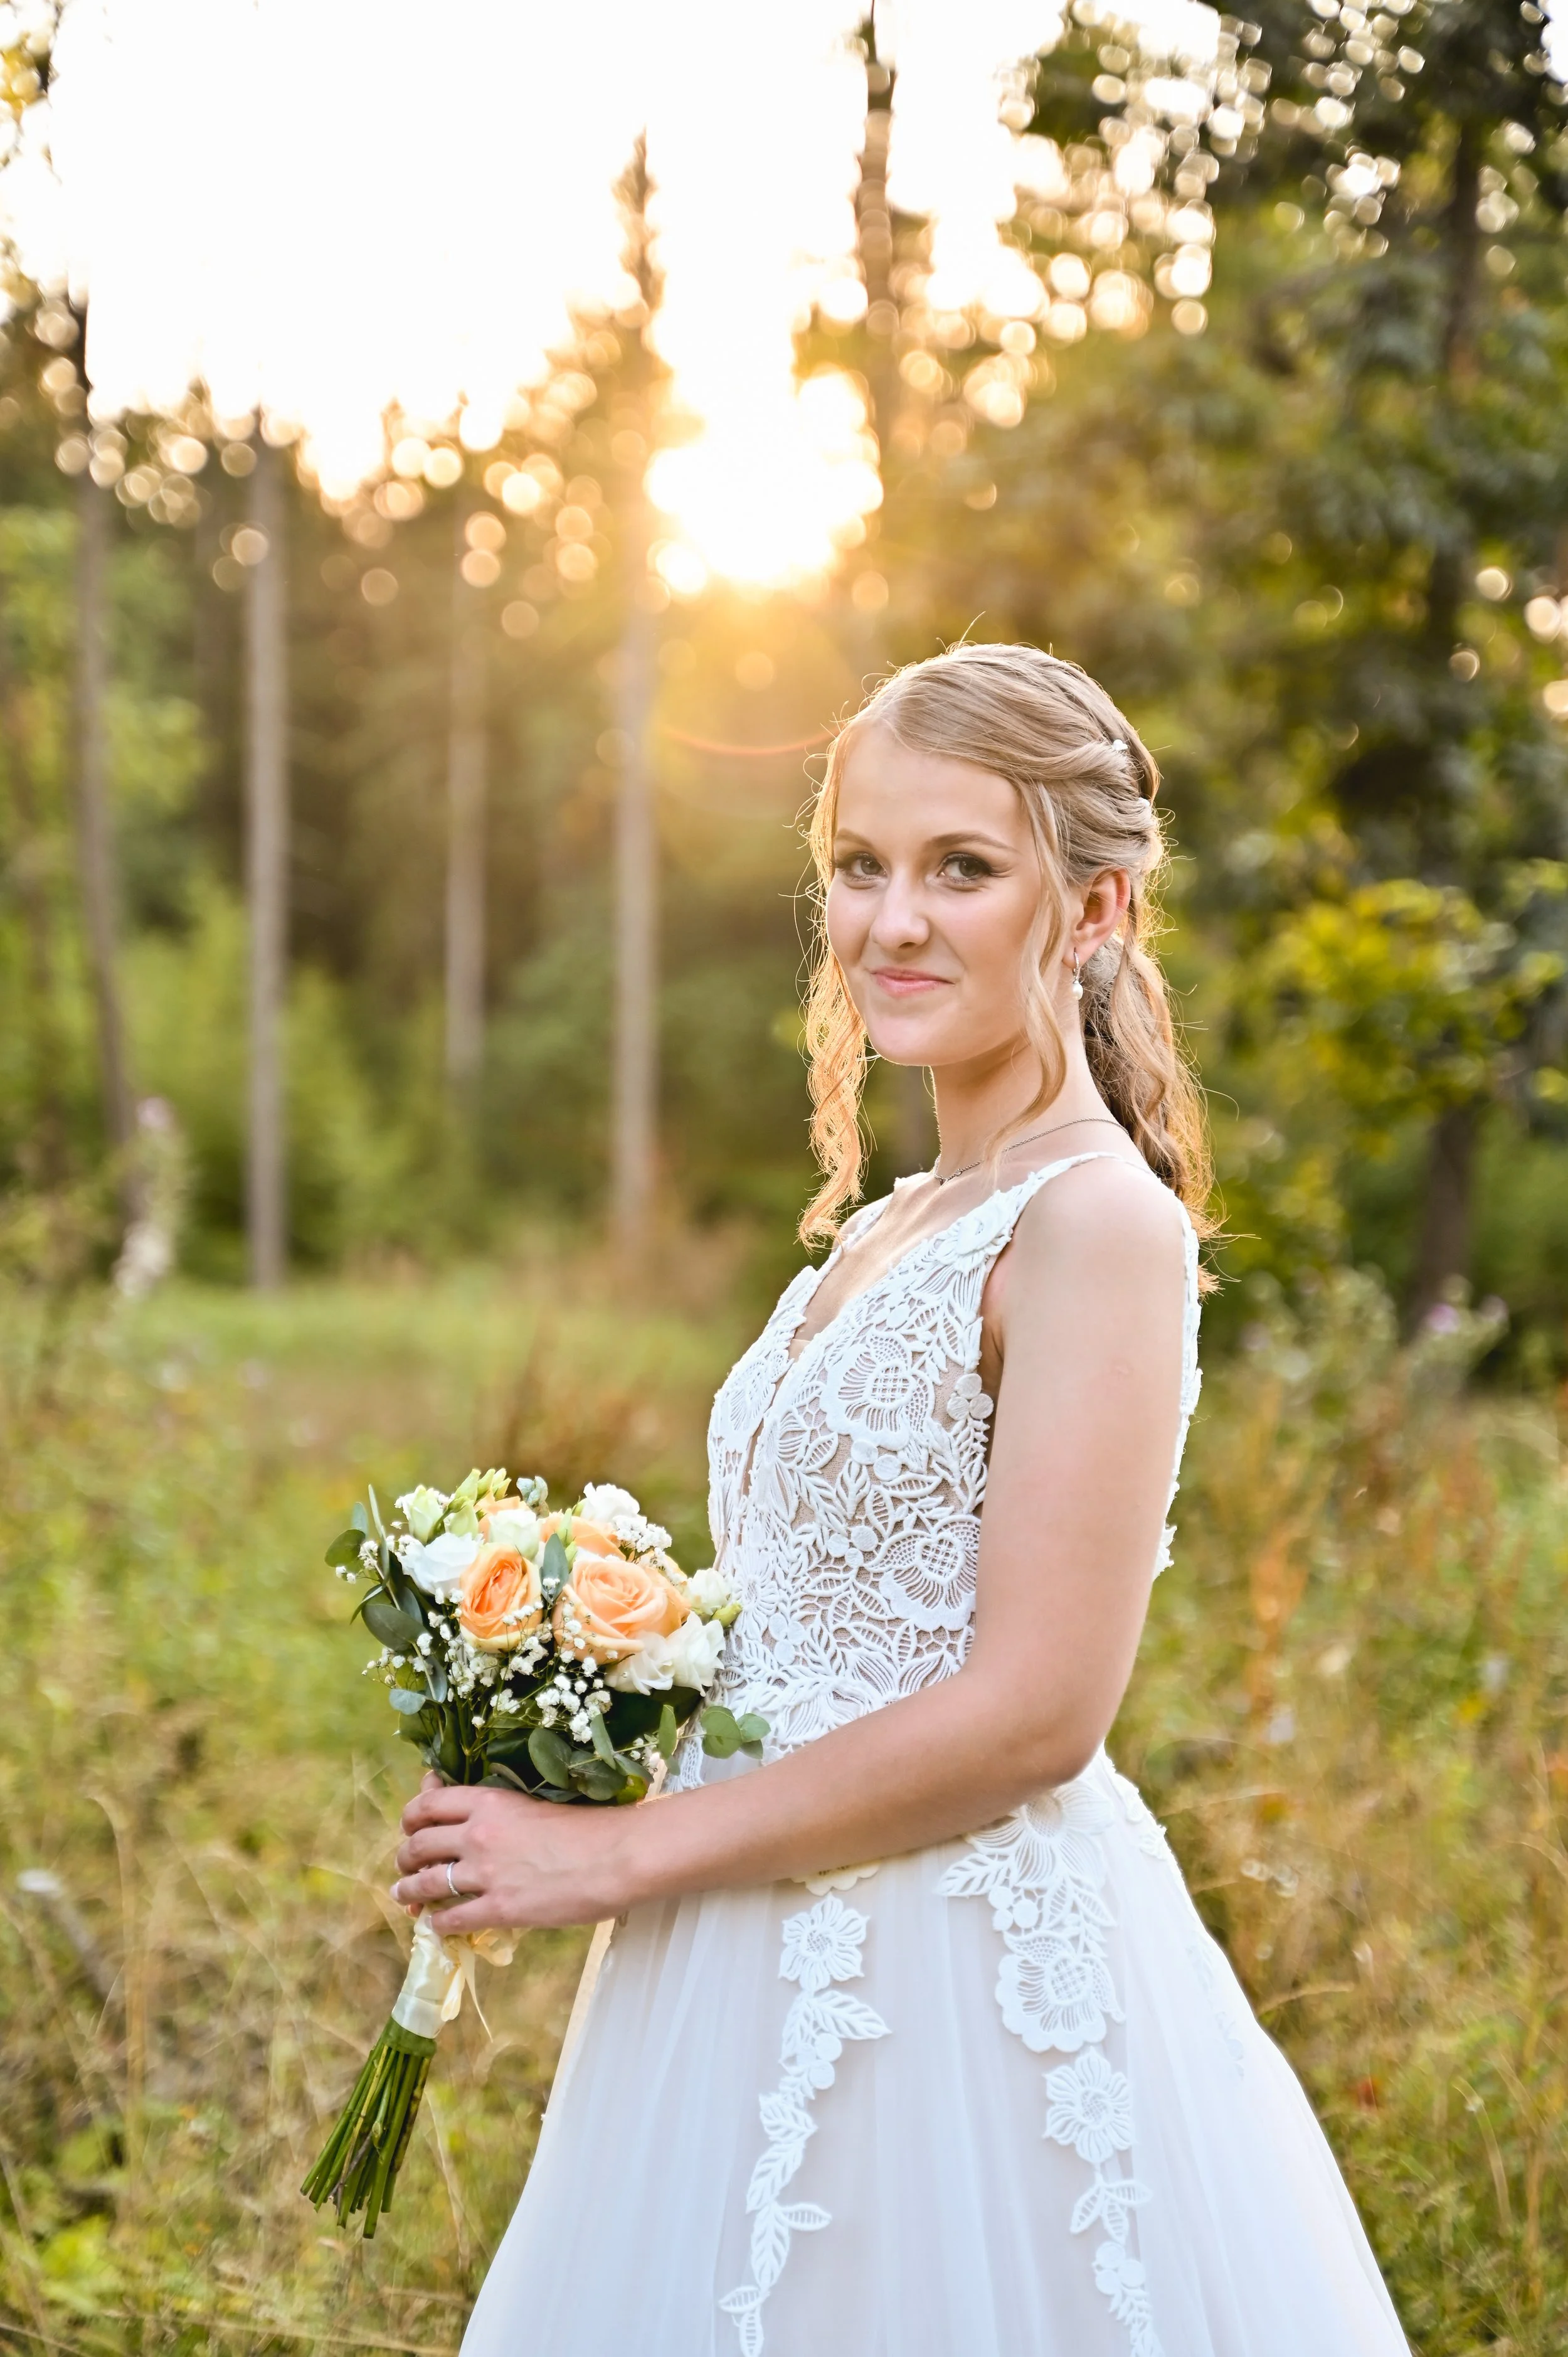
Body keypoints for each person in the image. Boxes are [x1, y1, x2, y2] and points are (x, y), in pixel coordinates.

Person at [393, 644, 1410, 2355]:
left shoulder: (1097, 1227)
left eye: (961, 866)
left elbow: (1032, 1714)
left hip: (947, 1984)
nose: (893, 921)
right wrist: (566, 1711)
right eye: (859, 865)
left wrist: (619, 1855)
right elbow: (810, 1609)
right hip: (732, 1946)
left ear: (1092, 911)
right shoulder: (884, 1226)